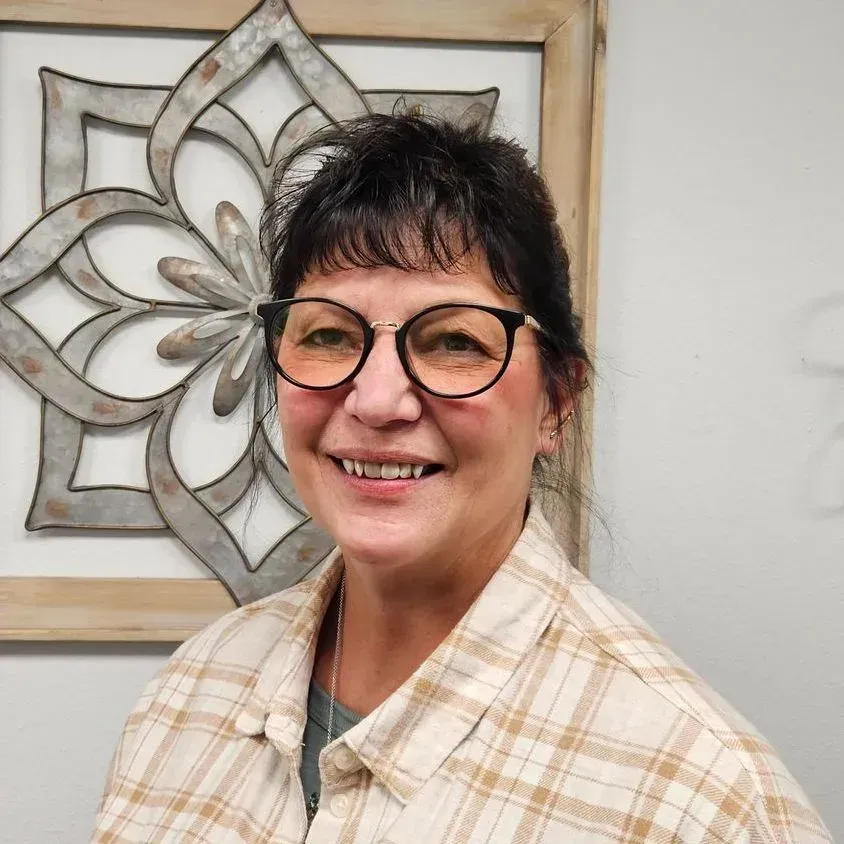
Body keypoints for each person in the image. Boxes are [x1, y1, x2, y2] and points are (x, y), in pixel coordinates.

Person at [91, 114, 831, 843]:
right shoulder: (191, 694)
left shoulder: (699, 796)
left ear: (556, 404)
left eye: (453, 341)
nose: (378, 400)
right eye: (326, 334)